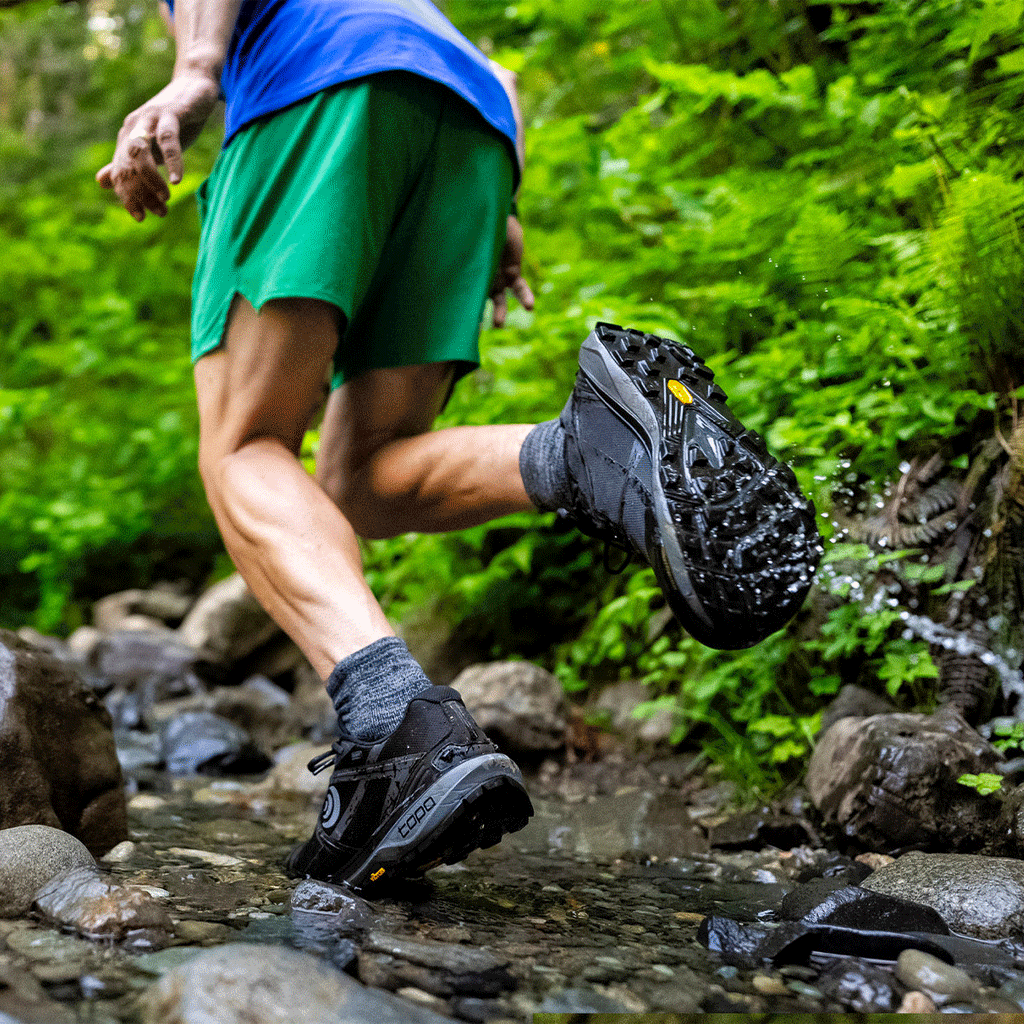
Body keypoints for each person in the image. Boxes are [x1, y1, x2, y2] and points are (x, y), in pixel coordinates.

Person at [98, 0, 822, 893]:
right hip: (472, 117)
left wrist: (196, 70)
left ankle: (391, 718)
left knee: (244, 446)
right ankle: (586, 452)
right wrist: (499, 209)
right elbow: (500, 76)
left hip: (316, 89)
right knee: (363, 477)